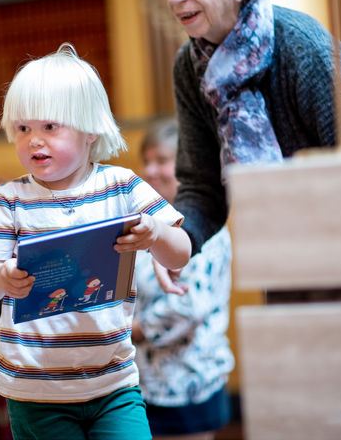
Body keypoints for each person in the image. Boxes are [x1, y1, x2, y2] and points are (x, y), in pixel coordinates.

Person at [0, 43, 192, 440]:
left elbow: (181, 252)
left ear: (91, 129)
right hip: (36, 389)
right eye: (23, 128)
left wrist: (156, 233)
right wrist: (1, 277)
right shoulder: (9, 200)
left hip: (114, 383)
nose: (34, 140)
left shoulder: (122, 186)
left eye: (50, 127)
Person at [164, 0, 341, 255]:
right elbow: (202, 189)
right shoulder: (187, 68)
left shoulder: (302, 45)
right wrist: (170, 239)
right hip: (282, 243)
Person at [132, 119, 234, 440]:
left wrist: (129, 331)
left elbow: (188, 306)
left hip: (189, 382)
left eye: (161, 160)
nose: (150, 170)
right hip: (148, 380)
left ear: (188, 167)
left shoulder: (203, 227)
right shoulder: (150, 222)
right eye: (146, 160)